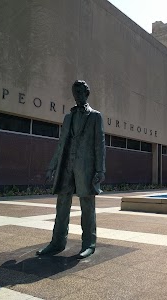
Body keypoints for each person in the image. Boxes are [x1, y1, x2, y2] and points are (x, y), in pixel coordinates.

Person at [36, 80, 105, 259]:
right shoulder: (68, 117)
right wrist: (52, 166)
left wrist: (100, 170)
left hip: (86, 168)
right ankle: (57, 243)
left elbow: (100, 145)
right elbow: (61, 144)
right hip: (67, 165)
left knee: (87, 206)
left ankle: (89, 243)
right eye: (75, 93)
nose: (78, 96)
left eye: (81, 92)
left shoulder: (95, 117)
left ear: (87, 93)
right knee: (62, 205)